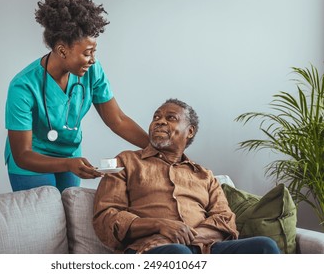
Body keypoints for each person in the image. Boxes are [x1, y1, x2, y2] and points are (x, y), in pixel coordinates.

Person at [93, 98, 280, 254]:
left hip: (205, 248)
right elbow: (107, 218)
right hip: (151, 249)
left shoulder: (205, 176)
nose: (160, 121)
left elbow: (225, 221)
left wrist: (181, 236)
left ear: (189, 131)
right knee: (179, 253)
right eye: (156, 117)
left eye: (170, 118)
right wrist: (159, 225)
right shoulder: (125, 162)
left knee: (265, 246)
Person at [4, 0, 148, 193]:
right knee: (44, 217)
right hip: (32, 161)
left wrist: (157, 149)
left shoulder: (93, 72)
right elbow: (22, 154)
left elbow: (118, 120)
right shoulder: (23, 86)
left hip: (70, 156)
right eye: (87, 53)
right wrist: (67, 164)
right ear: (62, 51)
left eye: (94, 52)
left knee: (69, 215)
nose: (93, 60)